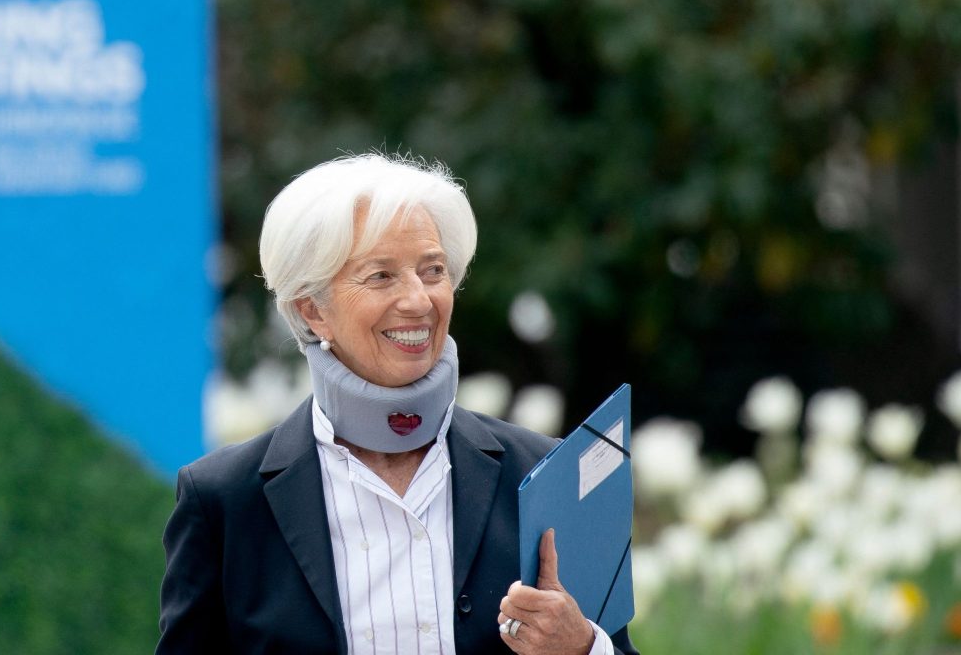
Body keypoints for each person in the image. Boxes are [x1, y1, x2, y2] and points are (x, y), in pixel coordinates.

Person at [157, 154, 639, 654]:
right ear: (311, 310)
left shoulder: (544, 474)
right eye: (381, 276)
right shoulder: (225, 501)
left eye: (432, 271)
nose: (418, 300)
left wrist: (583, 648)